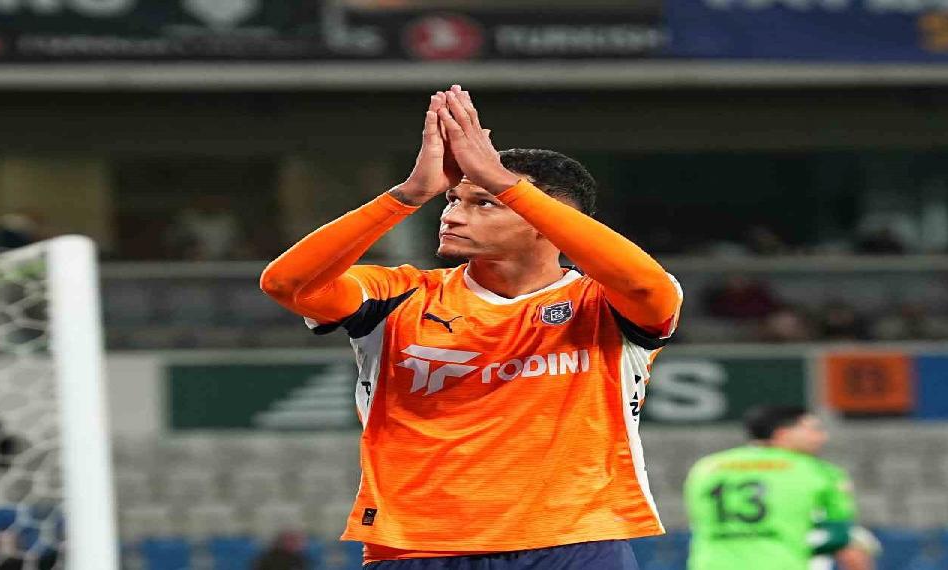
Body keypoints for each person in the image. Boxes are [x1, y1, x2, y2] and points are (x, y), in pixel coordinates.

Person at [260, 85, 682, 569]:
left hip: (577, 540)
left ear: (545, 220)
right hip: (418, 545)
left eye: (483, 203)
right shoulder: (398, 294)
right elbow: (285, 283)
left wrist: (504, 183)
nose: (452, 215)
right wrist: (408, 195)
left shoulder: (603, 302)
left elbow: (648, 286)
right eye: (452, 200)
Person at [684, 406, 858, 570]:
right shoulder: (819, 471)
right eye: (813, 430)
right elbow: (838, 536)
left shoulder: (707, 467)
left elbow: (698, 520)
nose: (822, 437)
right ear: (783, 433)